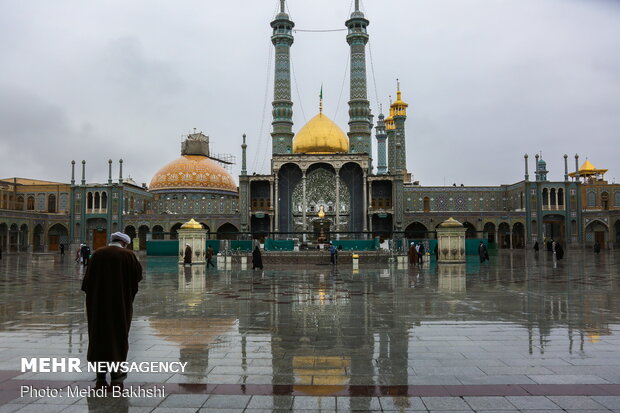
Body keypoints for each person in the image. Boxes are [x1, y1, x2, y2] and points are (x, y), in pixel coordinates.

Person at [81, 232, 142, 382]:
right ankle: (117, 372)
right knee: (118, 334)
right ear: (124, 243)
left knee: (98, 334)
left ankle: (100, 372)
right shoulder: (128, 255)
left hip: (98, 305)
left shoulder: (97, 254)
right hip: (119, 304)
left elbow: (86, 283)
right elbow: (137, 277)